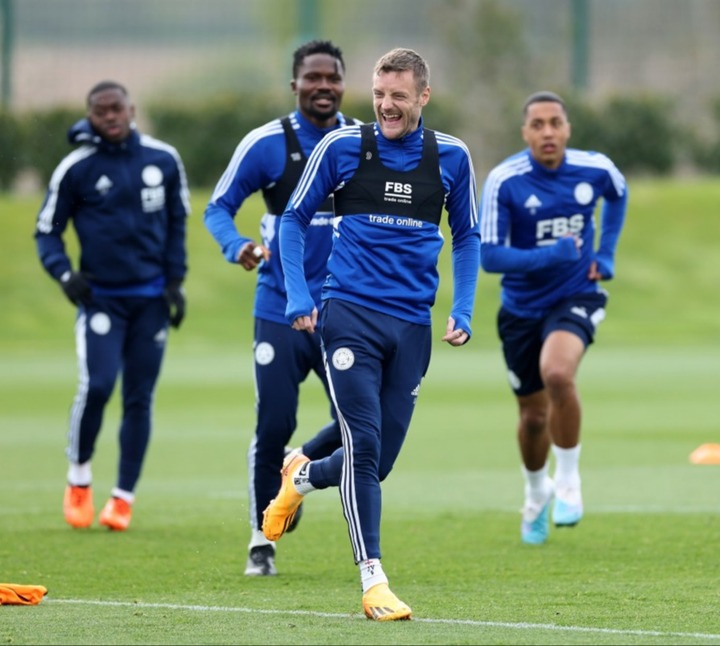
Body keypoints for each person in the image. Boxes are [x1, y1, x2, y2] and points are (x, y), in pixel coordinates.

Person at [263, 47, 480, 621]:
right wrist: (299, 294)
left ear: (423, 97)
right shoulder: (342, 147)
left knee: (376, 461)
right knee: (363, 445)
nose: (386, 105)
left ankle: (301, 474)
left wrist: (462, 308)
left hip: (412, 327)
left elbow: (466, 236)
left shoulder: (452, 157)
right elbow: (293, 219)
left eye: (398, 96)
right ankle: (373, 580)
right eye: (380, 94)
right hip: (348, 317)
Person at [204, 40, 359, 577]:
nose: (323, 86)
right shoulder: (266, 144)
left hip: (344, 308)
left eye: (332, 77)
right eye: (313, 77)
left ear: (343, 84)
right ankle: (260, 540)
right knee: (273, 421)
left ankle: (302, 464)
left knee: (358, 420)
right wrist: (237, 246)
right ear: (295, 85)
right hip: (279, 305)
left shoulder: (362, 143)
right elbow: (218, 208)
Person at [35, 80, 190, 532]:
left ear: (131, 110)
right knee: (99, 386)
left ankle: (122, 498)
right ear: (90, 116)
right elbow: (47, 231)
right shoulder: (77, 168)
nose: (110, 117)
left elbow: (178, 222)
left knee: (139, 397)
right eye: (100, 111)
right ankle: (79, 478)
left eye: (116, 108)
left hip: (151, 300)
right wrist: (65, 275)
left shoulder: (163, 159)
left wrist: (175, 282)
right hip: (101, 299)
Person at [478, 91, 628, 545]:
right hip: (521, 309)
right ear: (525, 132)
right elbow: (490, 256)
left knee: (558, 373)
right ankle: (536, 491)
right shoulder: (504, 181)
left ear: (567, 129)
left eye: (555, 123)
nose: (548, 132)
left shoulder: (595, 169)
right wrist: (551, 254)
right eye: (538, 124)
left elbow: (618, 194)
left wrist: (605, 252)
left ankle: (568, 482)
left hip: (576, 294)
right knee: (533, 417)